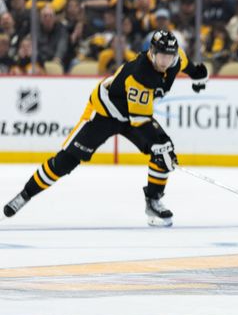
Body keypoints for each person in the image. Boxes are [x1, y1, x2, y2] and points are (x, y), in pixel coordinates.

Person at [3, 30, 209, 227]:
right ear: (151, 53)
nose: (165, 62)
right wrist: (159, 146)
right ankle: (25, 194)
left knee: (164, 150)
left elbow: (185, 64)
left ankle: (153, 201)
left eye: (169, 57)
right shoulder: (140, 75)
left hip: (133, 114)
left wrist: (197, 74)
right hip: (103, 113)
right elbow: (140, 120)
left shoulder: (176, 57)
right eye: (161, 56)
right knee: (67, 161)